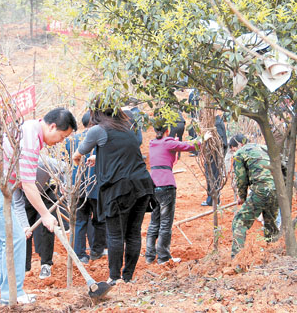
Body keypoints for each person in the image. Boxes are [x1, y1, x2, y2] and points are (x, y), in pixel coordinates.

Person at [0, 108, 77, 305]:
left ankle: (8, 295)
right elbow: (28, 185)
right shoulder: (30, 141)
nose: (60, 141)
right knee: (16, 238)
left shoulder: (30, 128)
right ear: (52, 126)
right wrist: (45, 215)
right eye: (62, 136)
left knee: (6, 241)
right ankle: (15, 293)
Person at [72, 97, 154, 284]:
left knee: (115, 234)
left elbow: (80, 151)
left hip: (119, 188)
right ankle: (128, 277)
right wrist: (98, 158)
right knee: (133, 232)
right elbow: (122, 152)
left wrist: (79, 158)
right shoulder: (128, 126)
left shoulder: (98, 130)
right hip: (141, 184)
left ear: (95, 112)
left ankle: (114, 278)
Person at [146, 118, 209, 265]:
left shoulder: (152, 143)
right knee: (165, 223)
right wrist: (202, 139)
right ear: (167, 130)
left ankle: (149, 256)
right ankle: (163, 257)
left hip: (152, 185)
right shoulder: (168, 142)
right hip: (166, 184)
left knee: (154, 221)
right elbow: (188, 146)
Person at [228, 134, 279, 259]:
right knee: (270, 223)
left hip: (260, 190)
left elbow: (241, 179)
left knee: (239, 222)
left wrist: (242, 196)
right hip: (277, 190)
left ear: (237, 145)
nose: (234, 152)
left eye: (233, 149)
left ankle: (237, 259)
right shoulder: (265, 148)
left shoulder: (240, 153)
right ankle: (274, 255)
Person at [67, 111, 107, 264]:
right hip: (96, 186)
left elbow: (68, 162)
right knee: (99, 220)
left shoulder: (71, 140)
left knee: (80, 221)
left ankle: (80, 254)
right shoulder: (100, 137)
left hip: (78, 186)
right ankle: (97, 250)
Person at [201, 115, 228, 206]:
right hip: (213, 153)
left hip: (215, 154)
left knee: (214, 176)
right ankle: (211, 199)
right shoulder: (217, 121)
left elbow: (220, 140)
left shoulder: (217, 123)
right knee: (210, 174)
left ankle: (214, 200)